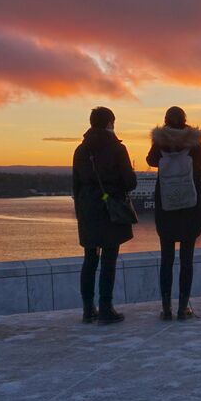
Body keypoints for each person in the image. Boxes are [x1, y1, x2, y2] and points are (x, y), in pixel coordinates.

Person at [73, 107, 137, 324]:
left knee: (90, 258)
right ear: (110, 123)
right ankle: (106, 308)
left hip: (88, 209)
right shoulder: (118, 149)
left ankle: (88, 309)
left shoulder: (80, 150)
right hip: (110, 208)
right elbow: (130, 182)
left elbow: (75, 185)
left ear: (91, 123)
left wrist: (80, 212)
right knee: (109, 259)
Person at [146, 106, 201, 320]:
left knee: (166, 259)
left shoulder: (160, 140)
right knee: (187, 259)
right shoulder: (194, 140)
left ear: (166, 121)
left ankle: (166, 308)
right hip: (190, 204)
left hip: (167, 204)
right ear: (185, 120)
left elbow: (151, 160)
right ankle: (182, 308)